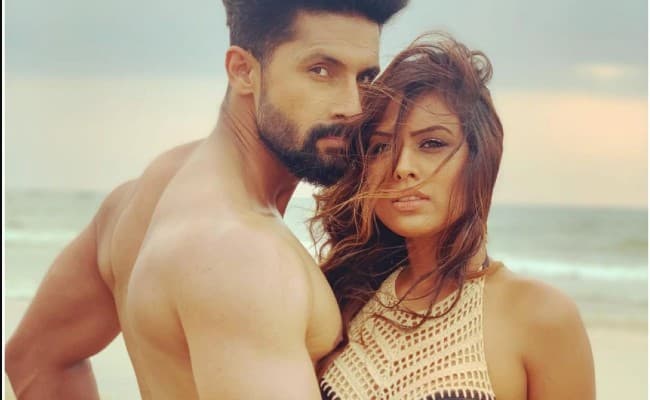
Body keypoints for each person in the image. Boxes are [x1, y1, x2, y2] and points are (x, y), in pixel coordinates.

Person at [4, 1, 409, 399]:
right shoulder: (245, 257)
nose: (353, 107)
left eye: (365, 78)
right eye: (321, 71)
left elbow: (36, 359)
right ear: (243, 70)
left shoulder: (144, 194)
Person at [313, 34, 596, 400]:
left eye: (432, 143)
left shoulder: (540, 316)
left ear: (480, 158)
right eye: (381, 147)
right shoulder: (342, 300)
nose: (402, 167)